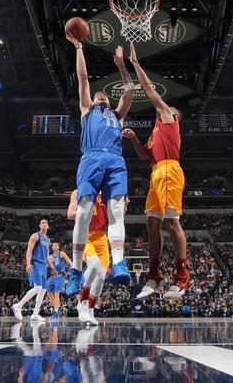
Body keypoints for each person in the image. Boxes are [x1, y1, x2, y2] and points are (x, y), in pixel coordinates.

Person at [64, 34, 135, 298]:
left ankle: (118, 262)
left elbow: (129, 91)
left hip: (116, 160)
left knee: (116, 210)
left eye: (105, 94)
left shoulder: (117, 114)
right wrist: (80, 48)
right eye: (98, 94)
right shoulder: (87, 110)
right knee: (83, 212)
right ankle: (75, 269)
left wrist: (121, 65)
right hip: (91, 158)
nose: (101, 94)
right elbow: (83, 79)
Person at [123, 42, 192, 300]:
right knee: (152, 225)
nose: (164, 106)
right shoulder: (155, 132)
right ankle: (154, 275)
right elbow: (145, 156)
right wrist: (132, 139)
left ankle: (183, 276)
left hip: (170, 172)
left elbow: (150, 90)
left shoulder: (168, 118)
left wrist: (135, 64)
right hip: (156, 173)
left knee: (172, 223)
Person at [68, 190, 109, 326]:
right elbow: (70, 214)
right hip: (85, 235)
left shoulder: (106, 191)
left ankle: (90, 311)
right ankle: (82, 302)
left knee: (101, 276)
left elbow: (112, 217)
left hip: (102, 237)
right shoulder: (79, 191)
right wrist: (87, 211)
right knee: (94, 264)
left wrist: (124, 206)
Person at [12, 219, 58, 322]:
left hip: (43, 266)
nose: (44, 224)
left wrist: (53, 268)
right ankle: (18, 306)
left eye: (46, 223)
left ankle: (35, 314)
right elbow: (29, 250)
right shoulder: (35, 236)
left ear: (48, 226)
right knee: (38, 288)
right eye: (42, 222)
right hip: (35, 264)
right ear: (39, 225)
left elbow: (47, 257)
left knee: (43, 290)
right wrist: (28, 263)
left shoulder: (48, 240)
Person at [46, 242, 72, 320]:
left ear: (59, 247)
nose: (55, 246)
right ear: (52, 247)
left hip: (60, 276)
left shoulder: (62, 254)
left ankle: (56, 311)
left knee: (56, 294)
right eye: (54, 245)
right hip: (52, 276)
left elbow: (70, 262)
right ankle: (57, 309)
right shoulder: (49, 257)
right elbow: (46, 266)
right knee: (49, 293)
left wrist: (70, 271)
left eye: (57, 245)